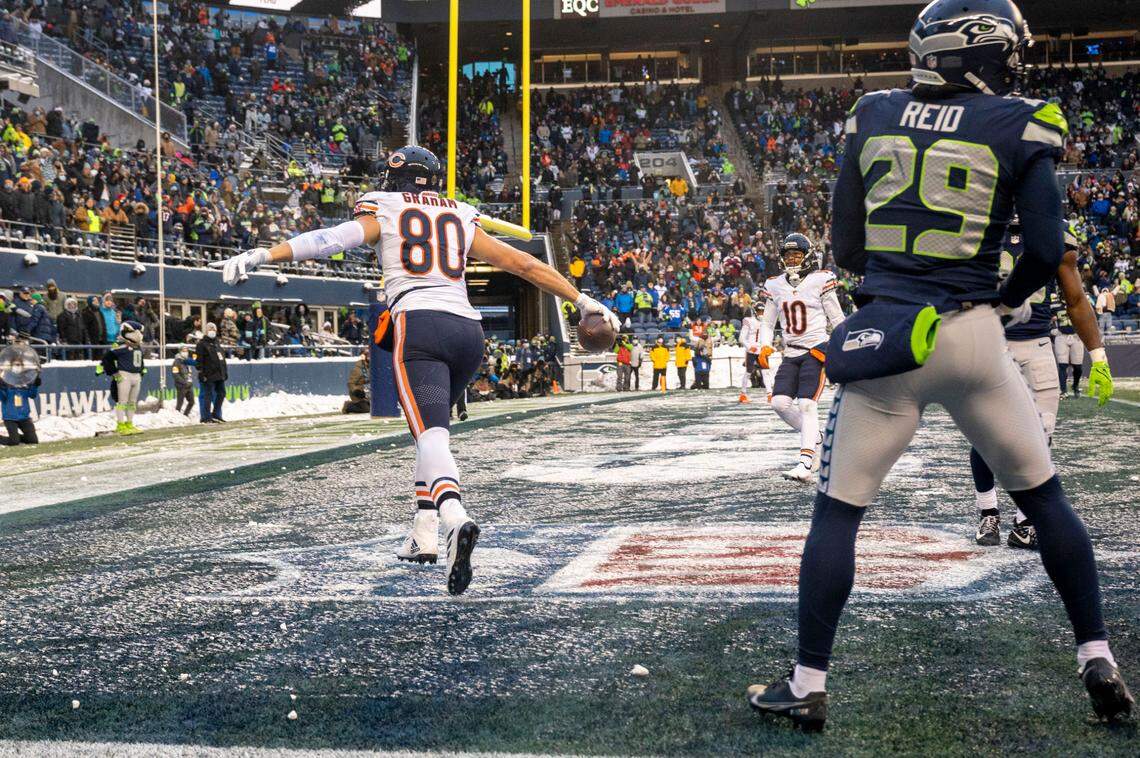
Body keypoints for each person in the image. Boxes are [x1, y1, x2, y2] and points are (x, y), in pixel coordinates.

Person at [747, 0, 1132, 730]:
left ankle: (807, 681)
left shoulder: (874, 113)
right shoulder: (1019, 120)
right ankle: (1095, 655)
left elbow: (849, 247)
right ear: (976, 54)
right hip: (975, 336)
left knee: (837, 514)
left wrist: (895, 282)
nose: (1015, 64)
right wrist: (1003, 301)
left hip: (891, 335)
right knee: (1046, 500)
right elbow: (1047, 250)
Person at [214, 145, 618, 595]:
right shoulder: (459, 213)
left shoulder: (385, 206)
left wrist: (264, 256)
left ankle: (452, 517)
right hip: (468, 331)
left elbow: (332, 238)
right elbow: (522, 263)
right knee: (429, 433)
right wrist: (582, 300)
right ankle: (424, 532)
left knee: (431, 437)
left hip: (419, 325)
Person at [971, 224, 1114, 548]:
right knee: (984, 435)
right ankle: (987, 511)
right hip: (989, 345)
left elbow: (1076, 300)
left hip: (1037, 347)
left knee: (1040, 437)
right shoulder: (980, 220)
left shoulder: (1054, 232)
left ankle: (1024, 522)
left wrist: (1099, 357)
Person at [756, 234, 845, 482]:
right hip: (791, 352)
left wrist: (845, 345)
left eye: (796, 255)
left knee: (807, 404)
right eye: (788, 255)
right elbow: (767, 323)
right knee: (779, 403)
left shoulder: (821, 280)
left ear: (807, 256)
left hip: (815, 349)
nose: (792, 259)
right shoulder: (775, 285)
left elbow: (836, 318)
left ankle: (805, 462)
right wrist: (764, 346)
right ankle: (818, 438)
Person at [100, 322, 145, 436]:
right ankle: (120, 424)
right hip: (124, 375)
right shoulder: (122, 347)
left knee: (132, 402)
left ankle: (129, 423)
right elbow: (107, 359)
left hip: (136, 376)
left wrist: (141, 371)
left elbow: (140, 361)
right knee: (122, 401)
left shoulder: (138, 347)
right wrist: (114, 373)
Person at [194, 323, 228, 423]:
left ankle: (216, 414)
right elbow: (199, 360)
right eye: (210, 328)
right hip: (208, 374)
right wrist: (201, 372)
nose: (212, 330)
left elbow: (222, 358)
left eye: (213, 328)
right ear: (206, 330)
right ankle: (206, 417)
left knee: (221, 393)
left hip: (219, 374)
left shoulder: (217, 343)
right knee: (207, 396)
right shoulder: (201, 344)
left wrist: (225, 371)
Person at [738, 301, 764, 403]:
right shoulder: (749, 321)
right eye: (759, 311)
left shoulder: (766, 322)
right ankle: (743, 394)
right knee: (749, 371)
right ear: (755, 311)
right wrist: (749, 346)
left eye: (762, 311)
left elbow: (767, 336)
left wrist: (768, 346)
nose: (761, 313)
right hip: (752, 349)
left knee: (766, 371)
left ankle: (770, 394)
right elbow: (741, 338)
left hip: (761, 349)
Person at [171, 344, 196, 416]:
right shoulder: (176, 362)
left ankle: (185, 415)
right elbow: (175, 374)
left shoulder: (187, 361)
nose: (185, 352)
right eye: (183, 351)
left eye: (186, 351)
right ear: (180, 352)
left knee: (192, 402)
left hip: (189, 384)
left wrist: (189, 381)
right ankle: (177, 416)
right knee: (180, 403)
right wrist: (184, 382)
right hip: (181, 385)